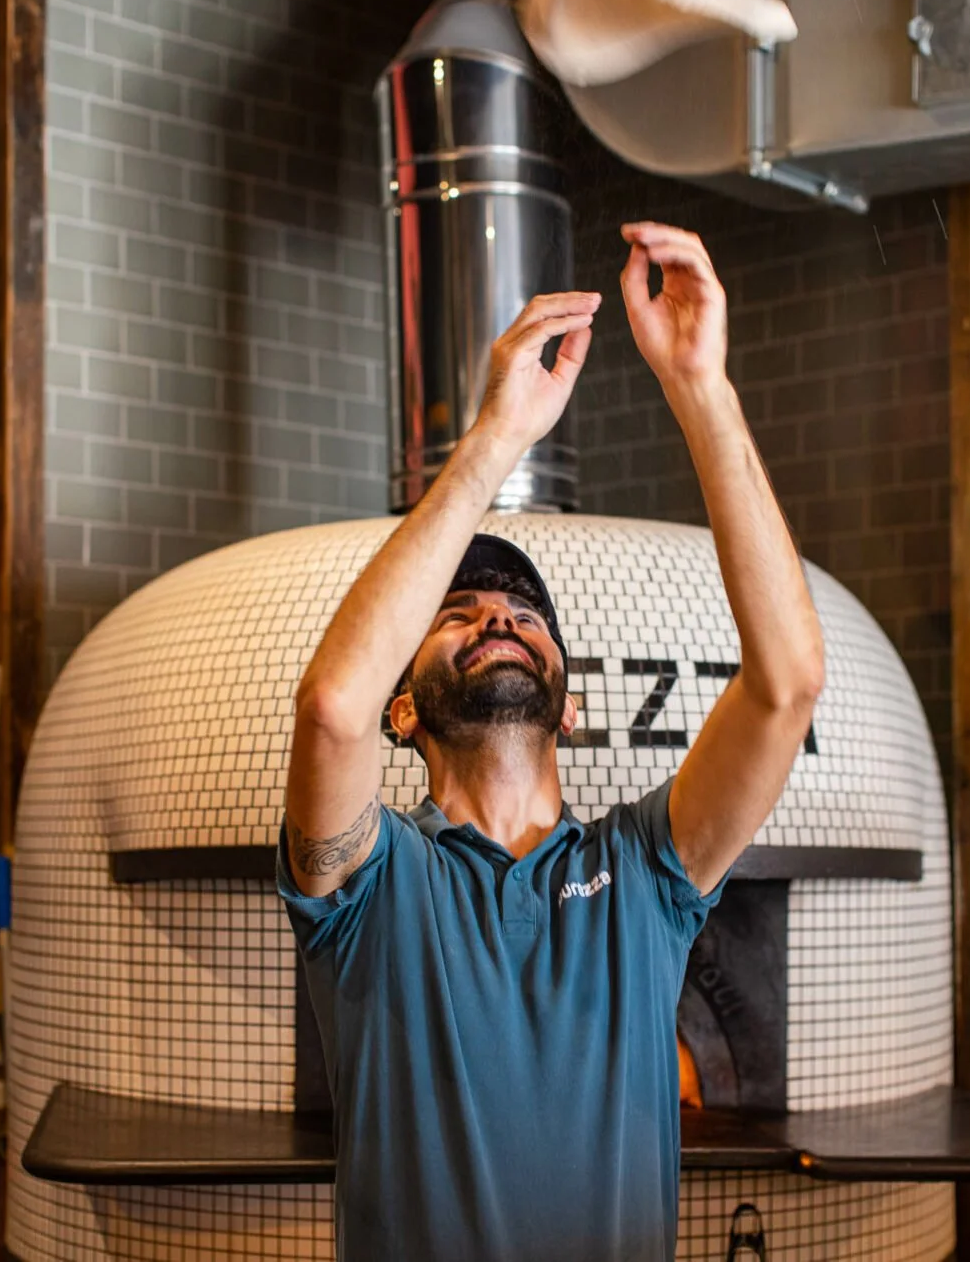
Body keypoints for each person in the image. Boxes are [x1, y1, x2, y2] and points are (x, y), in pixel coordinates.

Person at [277, 222, 824, 1262]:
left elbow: (787, 684)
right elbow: (331, 708)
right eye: (460, 613)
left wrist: (702, 389)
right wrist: (497, 436)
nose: (498, 616)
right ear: (405, 710)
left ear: (568, 707)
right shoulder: (370, 886)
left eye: (526, 616)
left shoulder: (647, 872)